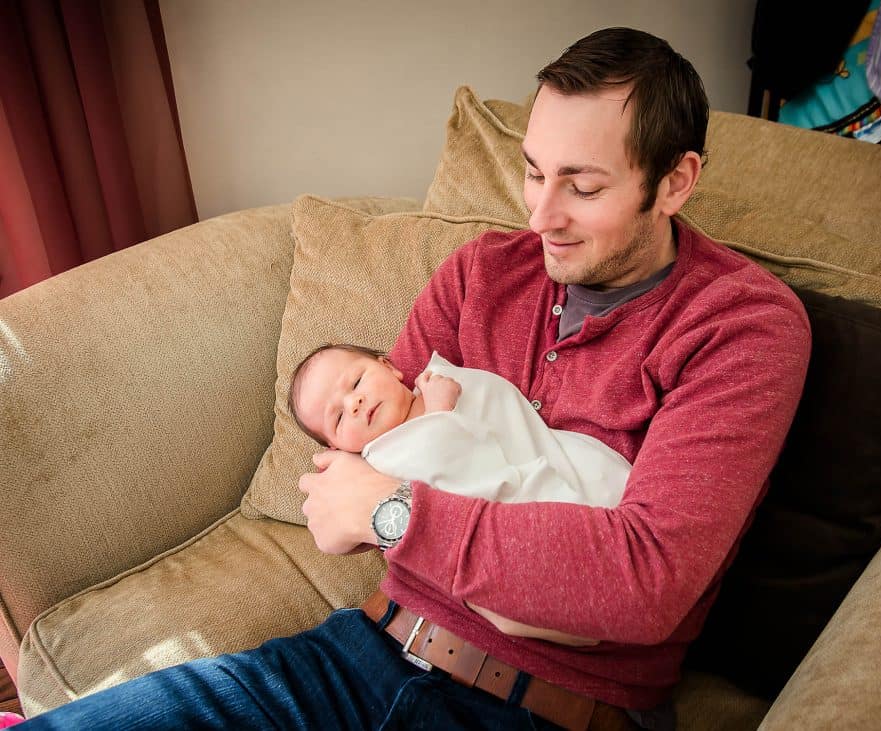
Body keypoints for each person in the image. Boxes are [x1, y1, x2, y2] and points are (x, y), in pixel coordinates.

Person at [20, 27, 811, 730]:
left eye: (584, 185)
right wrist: (421, 517)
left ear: (674, 182)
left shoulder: (741, 326)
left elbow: (639, 581)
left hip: (553, 707)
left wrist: (398, 516)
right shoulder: (479, 276)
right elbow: (356, 472)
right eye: (534, 172)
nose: (538, 217)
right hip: (361, 651)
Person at [289, 344, 630, 507]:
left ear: (389, 367)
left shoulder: (434, 378)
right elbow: (467, 483)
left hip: (581, 463)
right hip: (542, 507)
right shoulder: (385, 462)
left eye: (357, 381)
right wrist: (439, 414)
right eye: (337, 417)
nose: (354, 403)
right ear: (338, 448)